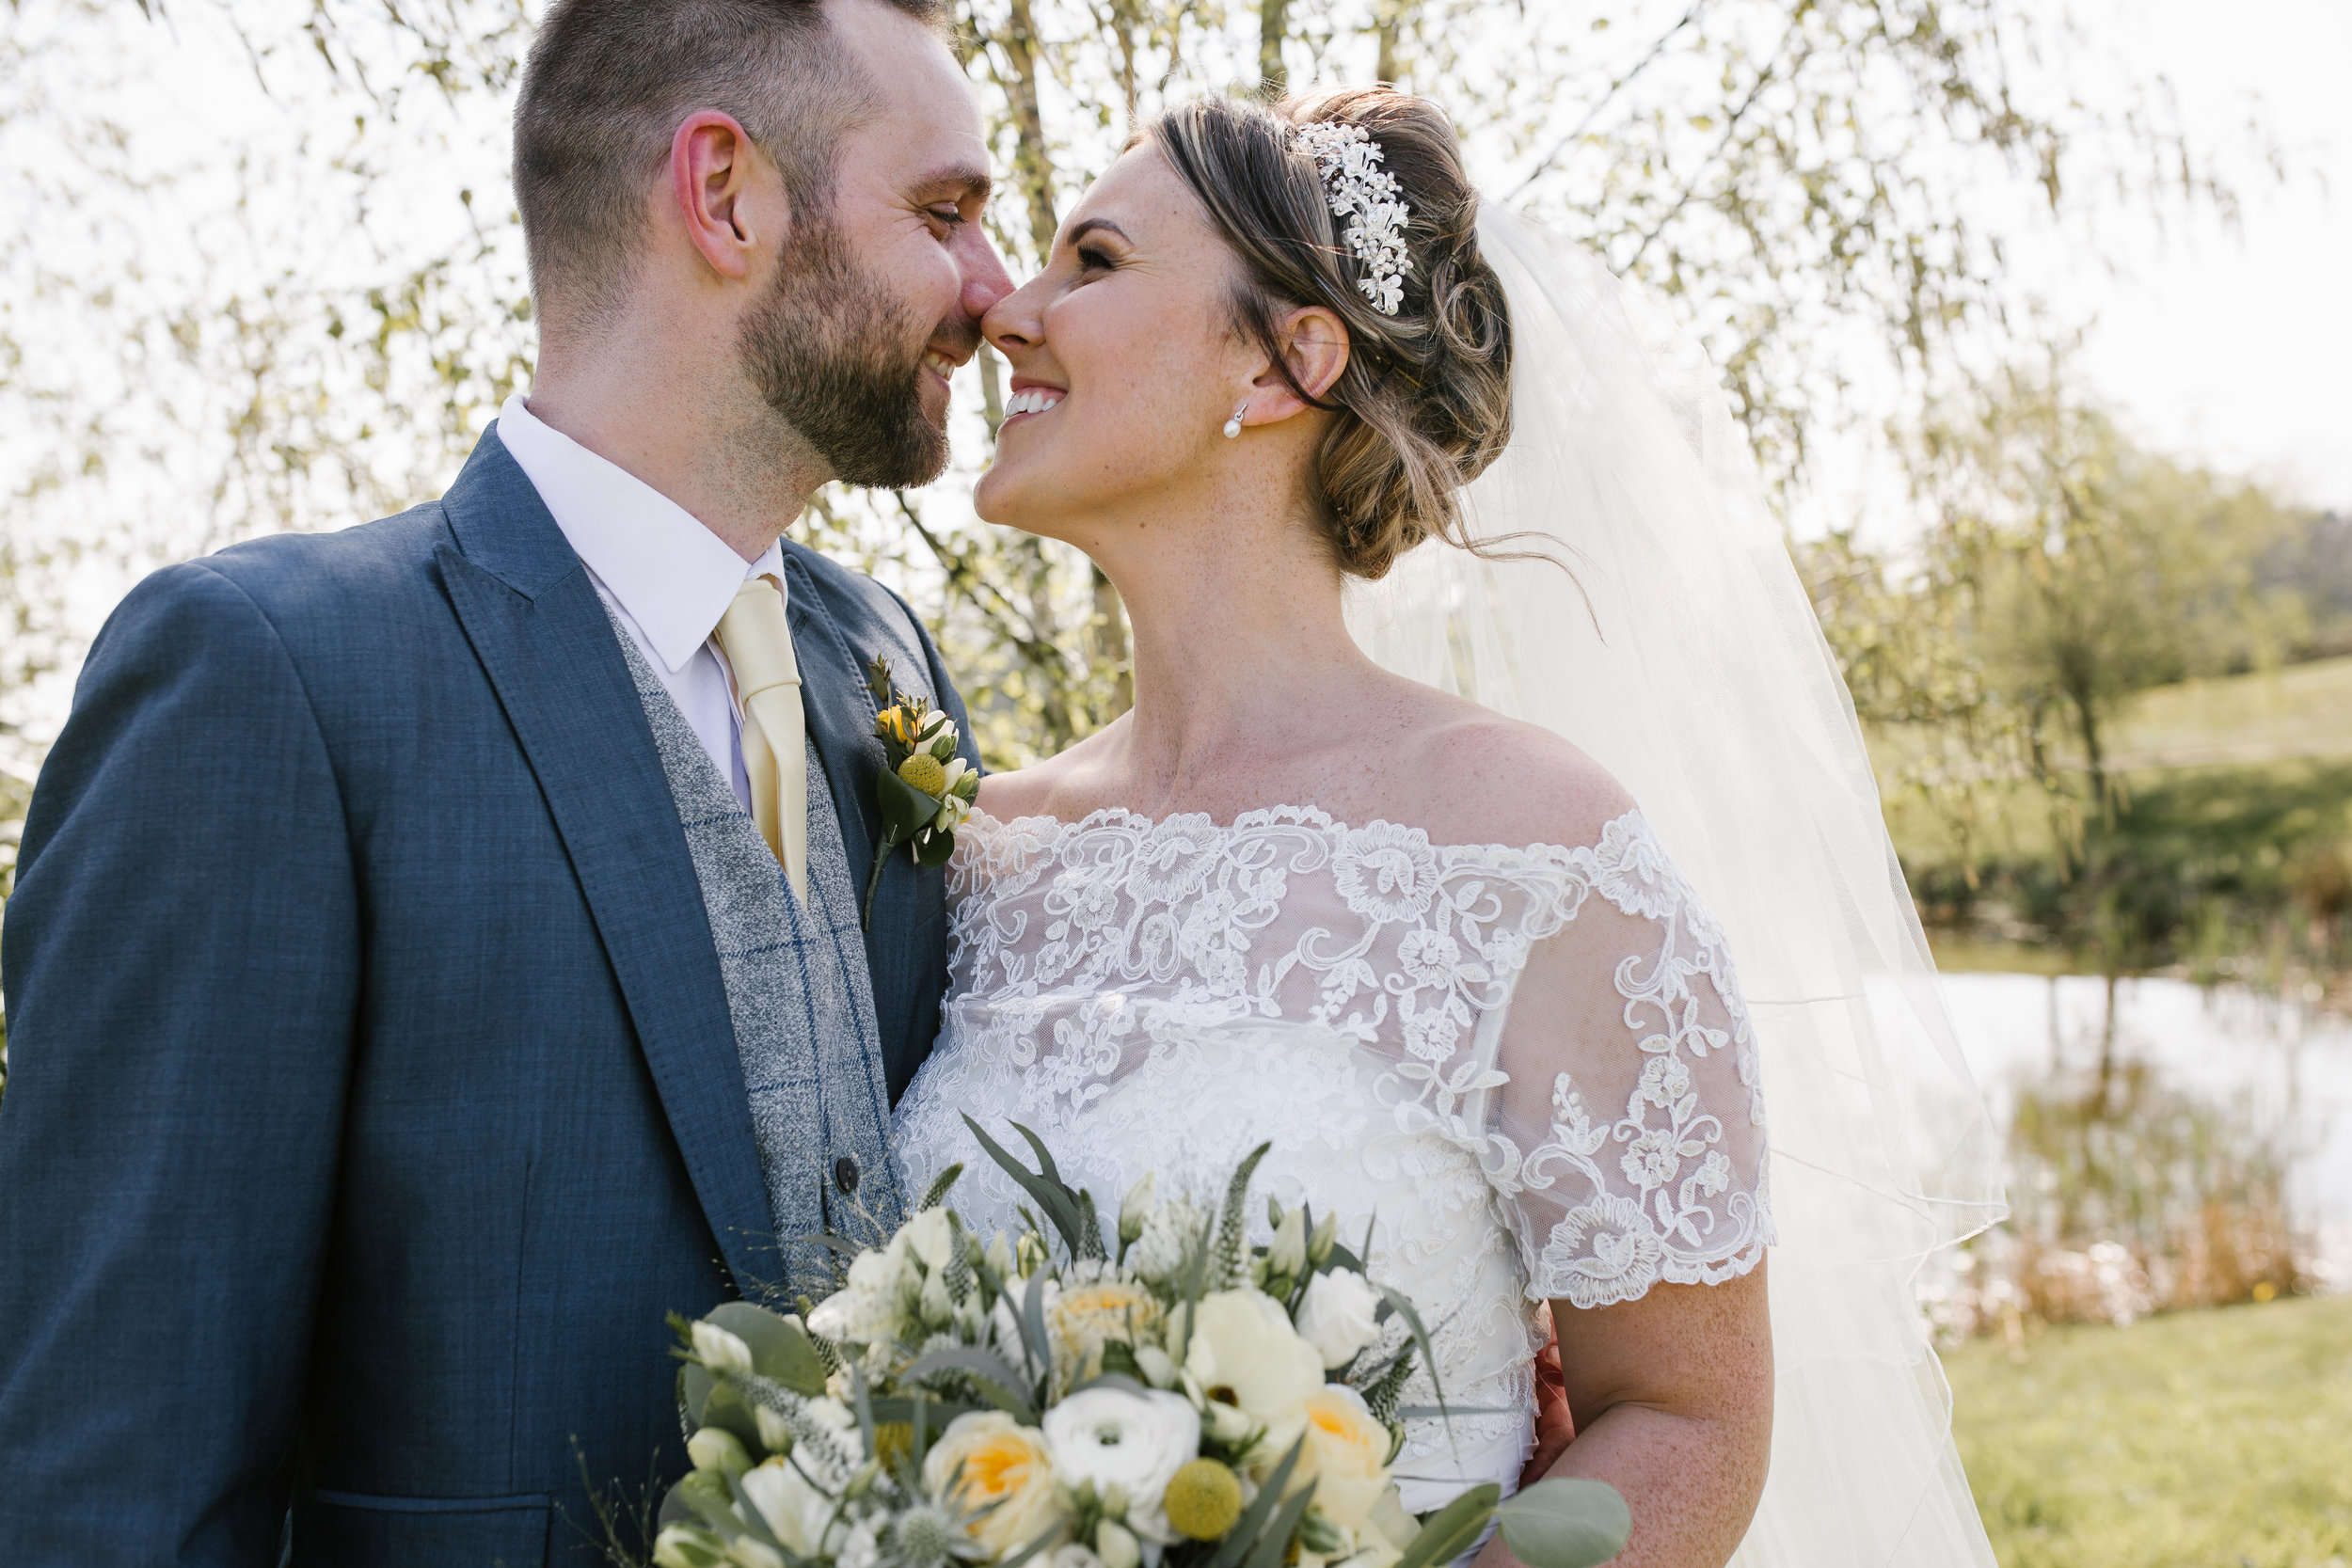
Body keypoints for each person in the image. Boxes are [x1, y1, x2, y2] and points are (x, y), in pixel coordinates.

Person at [890, 89, 2005, 1568]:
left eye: (1092, 260)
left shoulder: (1531, 855)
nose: (1007, 313)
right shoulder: (985, 850)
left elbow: (1688, 1423)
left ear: (1292, 361)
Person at [0, 0, 1010, 1561]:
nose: (993, 295)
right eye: (944, 215)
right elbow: (115, 1475)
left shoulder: (883, 662)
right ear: (725, 193)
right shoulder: (267, 674)